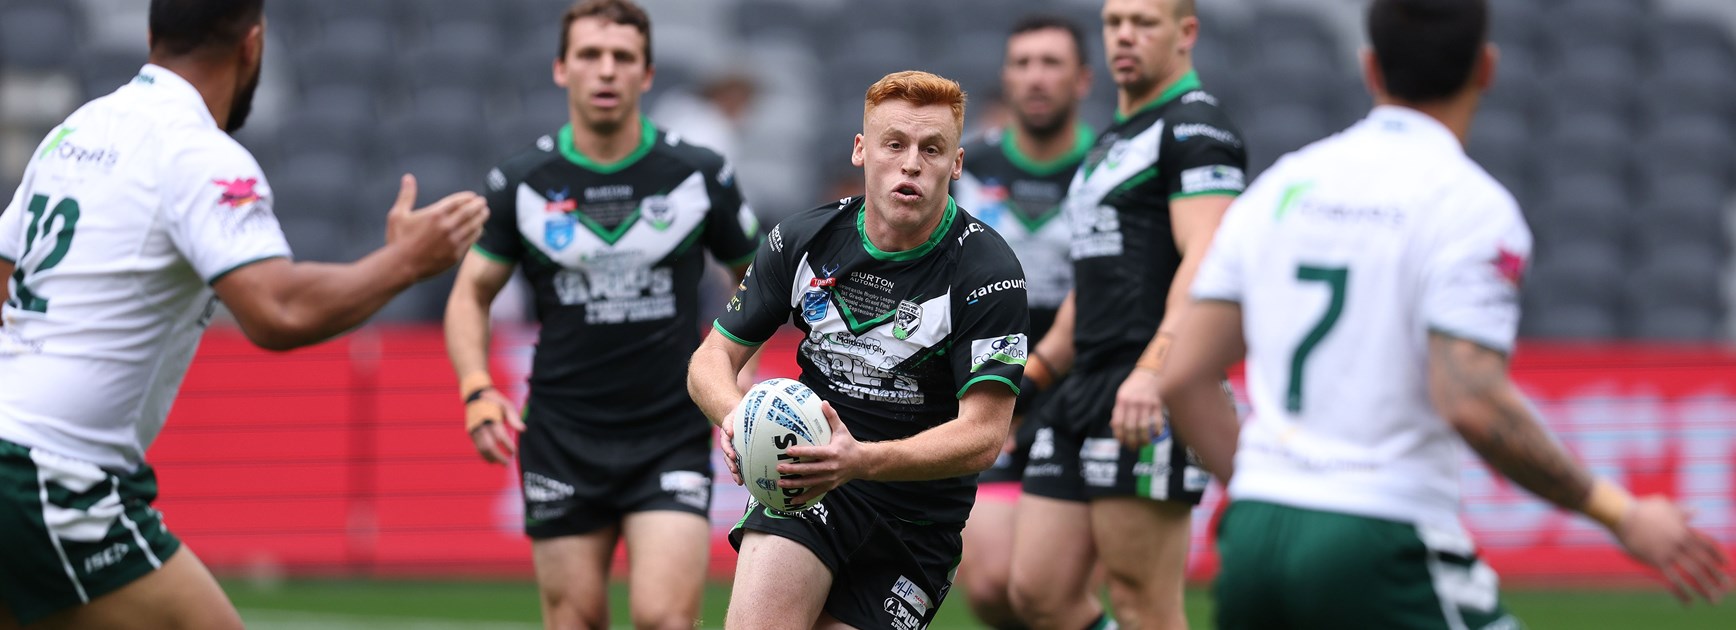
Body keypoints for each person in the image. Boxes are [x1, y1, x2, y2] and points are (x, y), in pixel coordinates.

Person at [1158, 0, 1733, 627]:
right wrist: (1621, 513)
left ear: (1370, 67)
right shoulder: (1469, 206)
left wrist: (1264, 487)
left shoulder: (1281, 187)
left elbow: (1183, 374)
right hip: (1379, 535)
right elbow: (1472, 401)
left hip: (1254, 539)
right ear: (1487, 68)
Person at [0, 0, 486, 627]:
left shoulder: (77, 129)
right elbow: (277, 309)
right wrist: (406, 263)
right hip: (52, 471)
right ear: (252, 45)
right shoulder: (199, 153)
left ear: (152, 34)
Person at [443, 1, 761, 628]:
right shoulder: (522, 182)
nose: (607, 69)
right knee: (576, 619)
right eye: (590, 55)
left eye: (623, 57)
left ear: (647, 73)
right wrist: (476, 388)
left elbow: (756, 276)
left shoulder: (698, 173)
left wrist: (736, 360)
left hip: (670, 431)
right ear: (562, 69)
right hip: (561, 435)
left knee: (664, 617)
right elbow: (469, 294)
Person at [688, 70, 1029, 630]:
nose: (911, 163)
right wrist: (737, 419)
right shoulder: (802, 240)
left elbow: (984, 435)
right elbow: (710, 360)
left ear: (956, 164)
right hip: (808, 486)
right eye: (894, 144)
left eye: (932, 149)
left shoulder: (988, 272)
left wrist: (861, 461)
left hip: (916, 523)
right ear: (861, 150)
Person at [1008, 0, 1247, 628]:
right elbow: (1090, 282)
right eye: (1115, 23)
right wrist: (1031, 379)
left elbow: (1207, 262)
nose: (1125, 36)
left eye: (1144, 23)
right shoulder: (1113, 139)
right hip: (1084, 384)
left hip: (1148, 387)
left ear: (1185, 33)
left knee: (1143, 604)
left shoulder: (1196, 129)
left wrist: (1154, 371)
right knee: (1038, 593)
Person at [950, 13, 1094, 630]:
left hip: (1083, 393)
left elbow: (1112, 294)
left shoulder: (1109, 170)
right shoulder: (965, 169)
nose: (1036, 77)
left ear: (1082, 79)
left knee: (1051, 592)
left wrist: (1033, 381)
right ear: (1006, 78)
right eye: (1023, 64)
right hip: (988, 389)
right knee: (991, 586)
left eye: (1051, 63)